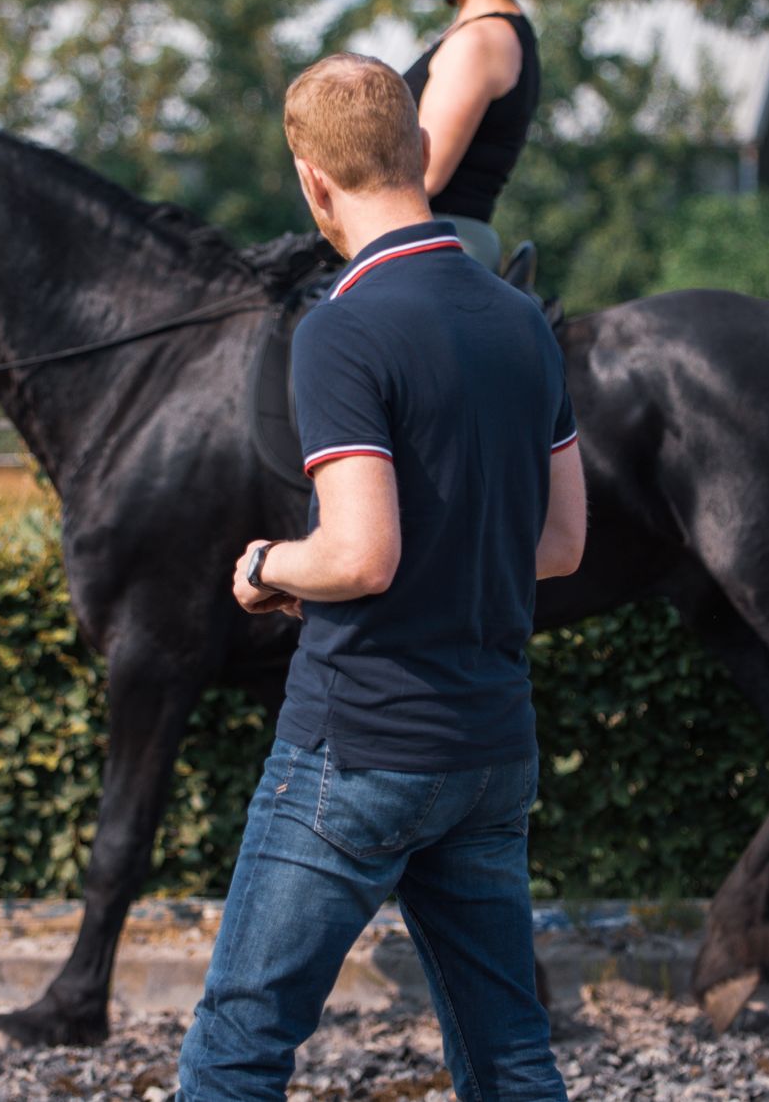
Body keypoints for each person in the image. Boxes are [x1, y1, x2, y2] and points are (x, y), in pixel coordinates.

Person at [174, 54, 587, 1101]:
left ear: (311, 181)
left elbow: (358, 556)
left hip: (356, 747)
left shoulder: (342, 329)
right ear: (415, 151)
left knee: (237, 1049)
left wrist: (268, 565)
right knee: (506, 1055)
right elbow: (560, 544)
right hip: (488, 752)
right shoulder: (521, 322)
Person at [397, 0, 543, 273]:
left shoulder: (479, 42)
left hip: (440, 247)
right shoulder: (480, 32)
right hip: (431, 240)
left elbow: (423, 178)